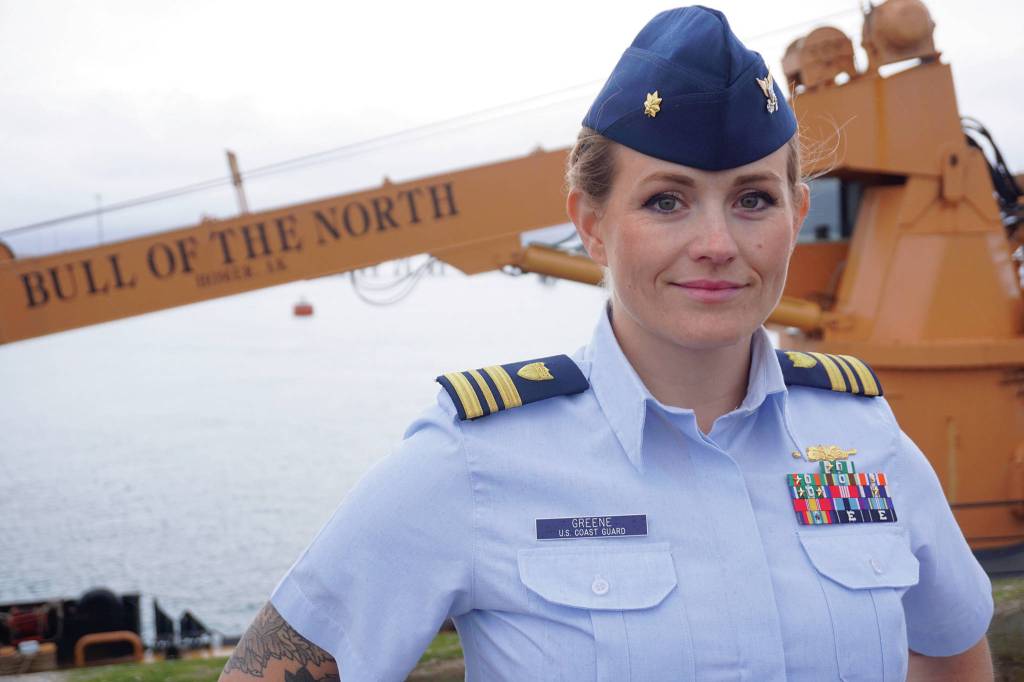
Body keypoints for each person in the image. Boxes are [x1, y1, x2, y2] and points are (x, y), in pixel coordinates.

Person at [220, 6, 994, 681]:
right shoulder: (477, 462)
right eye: (667, 201)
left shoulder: (863, 438)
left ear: (796, 214)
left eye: (753, 199)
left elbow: (953, 647)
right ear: (591, 224)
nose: (718, 243)